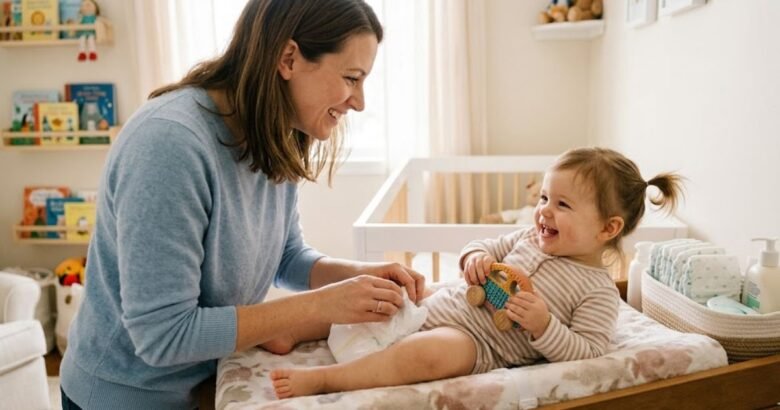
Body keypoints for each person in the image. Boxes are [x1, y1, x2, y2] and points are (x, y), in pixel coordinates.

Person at [59, 1, 425, 409]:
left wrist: (359, 277)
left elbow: (284, 256)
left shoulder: (273, 131)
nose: (359, 102)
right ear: (288, 58)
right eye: (351, 78)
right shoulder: (169, 145)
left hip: (207, 382)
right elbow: (162, 335)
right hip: (126, 397)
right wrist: (320, 305)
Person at [269, 147, 685, 398]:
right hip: (445, 301)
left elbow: (589, 352)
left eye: (562, 205)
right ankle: (296, 328)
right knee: (385, 292)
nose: (544, 211)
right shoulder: (528, 236)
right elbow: (482, 246)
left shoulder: (597, 291)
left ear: (607, 229)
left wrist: (543, 326)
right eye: (544, 198)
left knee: (431, 355)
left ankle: (328, 380)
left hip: (481, 342)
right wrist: (474, 259)